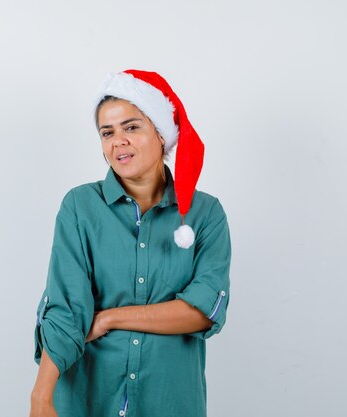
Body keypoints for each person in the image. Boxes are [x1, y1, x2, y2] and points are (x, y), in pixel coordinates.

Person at [29, 69, 231, 417]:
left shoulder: (206, 214)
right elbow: (65, 308)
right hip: (88, 402)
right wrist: (41, 399)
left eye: (131, 127)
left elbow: (201, 311)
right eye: (107, 132)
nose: (117, 141)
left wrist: (108, 319)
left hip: (169, 403)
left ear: (160, 133)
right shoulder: (80, 207)